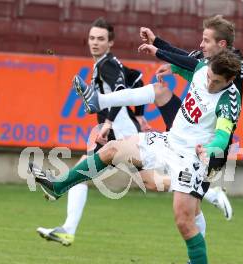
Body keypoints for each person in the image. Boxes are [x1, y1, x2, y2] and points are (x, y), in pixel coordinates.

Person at [30, 48, 242, 264]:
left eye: (216, 82)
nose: (210, 83)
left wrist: (210, 149)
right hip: (168, 141)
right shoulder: (202, 69)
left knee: (184, 221)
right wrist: (164, 57)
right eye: (209, 76)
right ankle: (57, 187)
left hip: (192, 159)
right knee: (110, 150)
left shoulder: (229, 100)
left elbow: (222, 135)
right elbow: (185, 66)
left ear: (229, 81)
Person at [36, 18, 232, 247]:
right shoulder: (108, 63)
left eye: (101, 39)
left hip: (121, 131)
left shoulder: (107, 64)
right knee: (146, 181)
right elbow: (136, 79)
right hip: (119, 129)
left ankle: (66, 222)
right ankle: (67, 225)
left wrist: (108, 121)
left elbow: (121, 89)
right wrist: (139, 114)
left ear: (110, 43)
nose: (95, 43)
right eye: (92, 38)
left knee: (104, 171)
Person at [137, 15, 243, 264]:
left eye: (207, 40)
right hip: (191, 133)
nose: (202, 44)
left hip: (210, 145)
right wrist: (158, 44)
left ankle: (195, 263)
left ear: (222, 44)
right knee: (186, 204)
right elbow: (188, 60)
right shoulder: (207, 61)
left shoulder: (234, 62)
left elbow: (189, 62)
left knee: (189, 209)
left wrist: (159, 52)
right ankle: (210, 196)